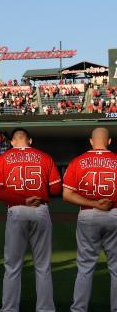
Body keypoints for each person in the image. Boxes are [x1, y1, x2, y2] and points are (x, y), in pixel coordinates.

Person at [0, 128, 62, 312]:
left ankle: (9, 309)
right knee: (43, 265)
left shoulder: (2, 158)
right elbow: (55, 189)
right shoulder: (45, 157)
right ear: (30, 140)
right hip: (40, 210)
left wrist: (22, 199)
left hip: (16, 211)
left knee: (13, 266)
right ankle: (45, 309)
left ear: (12, 142)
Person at [61, 127, 117, 312]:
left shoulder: (77, 162)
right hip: (115, 214)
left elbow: (67, 195)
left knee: (85, 266)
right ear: (109, 142)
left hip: (88, 214)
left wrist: (93, 204)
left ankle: (79, 309)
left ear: (91, 141)